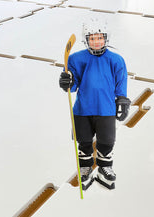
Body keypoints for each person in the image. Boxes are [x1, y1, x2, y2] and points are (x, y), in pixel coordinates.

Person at [59, 19, 131, 190]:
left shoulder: (116, 60)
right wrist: (66, 82)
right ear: (86, 39)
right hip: (83, 109)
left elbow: (121, 82)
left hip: (106, 109)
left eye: (100, 38)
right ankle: (85, 168)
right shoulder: (76, 59)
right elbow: (72, 85)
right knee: (83, 141)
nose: (96, 42)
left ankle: (105, 168)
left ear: (106, 38)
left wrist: (122, 99)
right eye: (92, 38)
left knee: (106, 141)